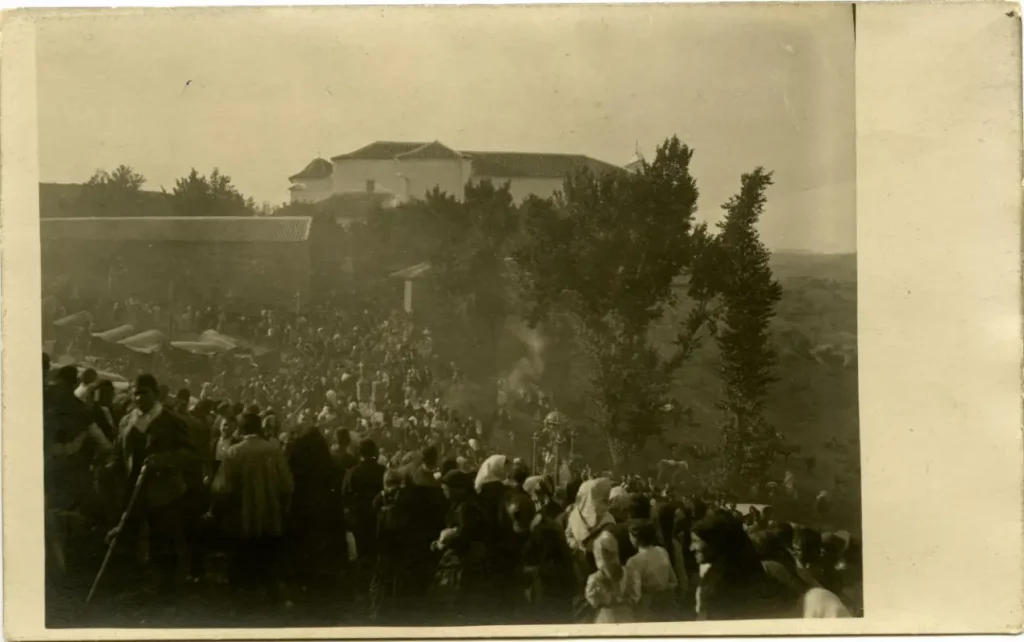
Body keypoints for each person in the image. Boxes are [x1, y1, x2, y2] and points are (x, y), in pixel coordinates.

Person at [107, 373, 202, 594]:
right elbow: (118, 452)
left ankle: (164, 585)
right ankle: (135, 581)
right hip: (132, 489)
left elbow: (190, 454)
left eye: (144, 393)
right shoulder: (126, 421)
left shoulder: (171, 420)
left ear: (155, 393)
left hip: (163, 491)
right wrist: (112, 466)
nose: (139, 398)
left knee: (162, 536)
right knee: (130, 534)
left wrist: (165, 460)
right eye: (136, 393)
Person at [210, 412, 294, 605]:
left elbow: (221, 488)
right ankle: (270, 593)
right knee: (268, 554)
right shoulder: (274, 450)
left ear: (241, 429)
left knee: (243, 556)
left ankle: (245, 597)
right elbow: (287, 485)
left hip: (242, 515)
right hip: (270, 514)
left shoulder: (232, 452)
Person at [625, 519, 678, 621]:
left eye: (630, 536)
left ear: (635, 538)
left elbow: (634, 595)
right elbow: (674, 581)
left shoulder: (634, 561)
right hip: (667, 606)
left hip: (646, 611)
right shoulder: (662, 551)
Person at [584, 530, 640, 623]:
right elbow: (635, 597)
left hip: (606, 618)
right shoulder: (632, 574)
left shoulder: (594, 579)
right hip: (627, 617)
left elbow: (593, 602)